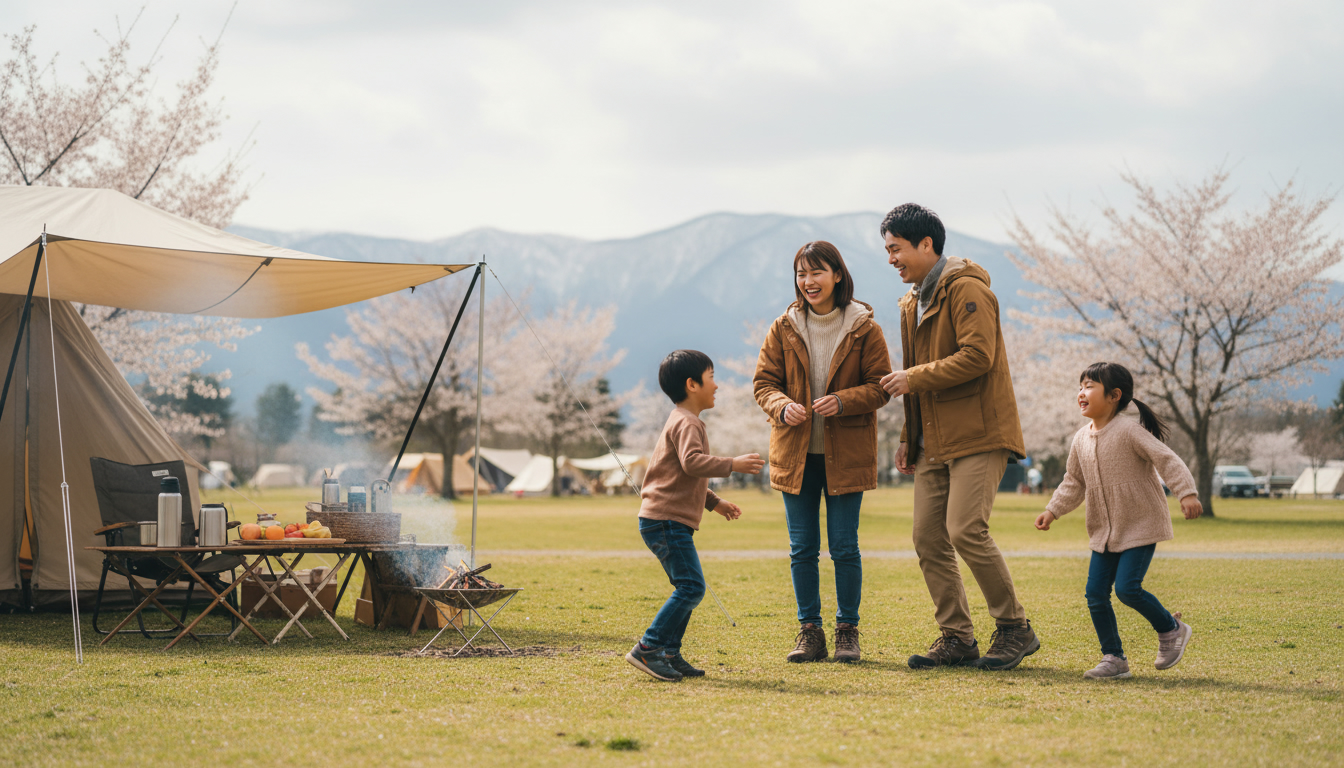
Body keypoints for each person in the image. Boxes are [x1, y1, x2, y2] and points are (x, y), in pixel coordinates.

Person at [881, 203, 1039, 671]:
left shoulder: (967, 288)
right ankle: (957, 637)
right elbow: (916, 378)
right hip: (933, 439)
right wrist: (910, 435)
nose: (891, 259)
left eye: (896, 249)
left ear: (926, 244)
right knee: (928, 537)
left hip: (979, 432)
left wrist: (912, 378)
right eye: (888, 251)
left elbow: (978, 356)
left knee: (965, 529)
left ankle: (1014, 628)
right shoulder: (912, 302)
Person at [754, 241, 891, 663]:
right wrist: (782, 405)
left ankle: (847, 632)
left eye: (816, 272)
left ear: (836, 275)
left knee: (845, 546)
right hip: (795, 455)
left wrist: (844, 400)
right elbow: (763, 384)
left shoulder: (864, 327)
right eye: (801, 273)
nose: (808, 281)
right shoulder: (784, 326)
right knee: (802, 548)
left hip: (845, 453)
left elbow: (881, 385)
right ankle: (809, 632)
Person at [1035, 362, 1201, 680]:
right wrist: (1053, 509)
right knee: (1095, 594)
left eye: (1089, 386)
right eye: (1080, 386)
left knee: (1127, 589)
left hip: (1140, 523)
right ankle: (1114, 658)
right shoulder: (1081, 439)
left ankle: (1171, 629)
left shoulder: (1129, 431)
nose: (1081, 393)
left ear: (1114, 395)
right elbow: (1073, 481)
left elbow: (1166, 459)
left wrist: (1187, 493)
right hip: (1103, 531)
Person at [627, 350, 765, 682]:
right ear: (692, 384)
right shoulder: (687, 422)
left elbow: (683, 474)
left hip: (666, 519)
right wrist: (733, 464)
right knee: (691, 587)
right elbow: (692, 462)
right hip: (665, 520)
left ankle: (669, 654)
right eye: (712, 377)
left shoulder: (683, 420)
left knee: (687, 586)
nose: (716, 386)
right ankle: (649, 647)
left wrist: (713, 501)